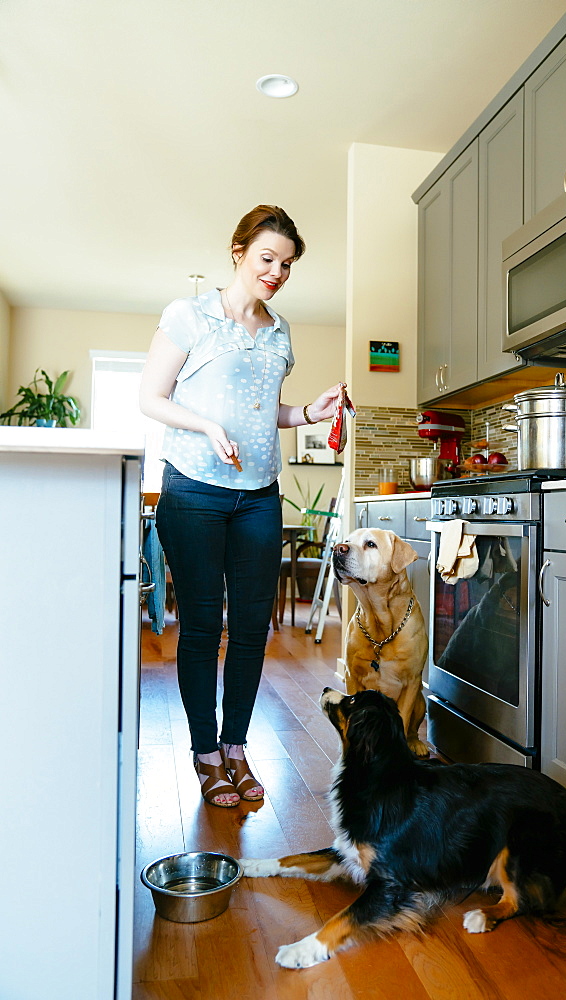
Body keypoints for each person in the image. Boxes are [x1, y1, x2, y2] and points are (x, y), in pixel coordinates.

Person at [140, 205, 343, 807]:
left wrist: (310, 412)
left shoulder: (279, 330)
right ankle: (205, 753)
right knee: (202, 623)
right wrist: (204, 425)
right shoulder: (188, 316)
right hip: (194, 491)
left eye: (286, 264)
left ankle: (236, 748)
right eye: (266, 259)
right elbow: (151, 397)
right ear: (239, 253)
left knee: (252, 627)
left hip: (258, 495)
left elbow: (267, 411)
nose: (276, 272)